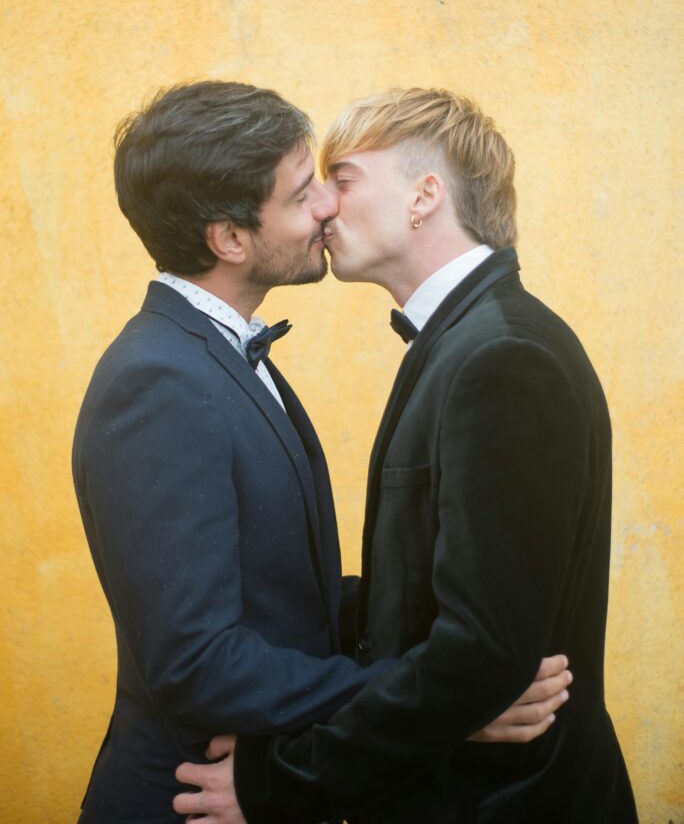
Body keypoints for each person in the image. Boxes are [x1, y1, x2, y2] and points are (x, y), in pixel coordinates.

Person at [72, 81, 568, 823]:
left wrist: (456, 669)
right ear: (229, 239)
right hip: (189, 797)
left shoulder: (219, 357)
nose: (327, 206)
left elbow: (280, 592)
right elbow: (196, 663)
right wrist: (443, 703)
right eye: (304, 192)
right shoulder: (158, 382)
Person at [178, 88, 637, 823]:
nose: (324, 205)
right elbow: (430, 606)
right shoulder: (469, 342)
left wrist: (279, 784)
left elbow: (481, 654)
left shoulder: (503, 358)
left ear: (425, 196)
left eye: (344, 177)